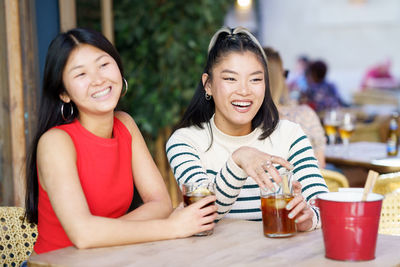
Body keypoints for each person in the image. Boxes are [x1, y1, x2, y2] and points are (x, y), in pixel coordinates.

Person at [25, 28, 217, 255]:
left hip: (113, 258)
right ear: (64, 93)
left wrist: (104, 233)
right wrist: (171, 227)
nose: (98, 79)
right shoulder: (55, 142)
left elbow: (161, 203)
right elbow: (83, 234)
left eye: (104, 65)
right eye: (81, 74)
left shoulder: (125, 124)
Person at [166, 26, 329, 232]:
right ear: (208, 84)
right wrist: (239, 159)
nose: (244, 91)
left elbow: (323, 207)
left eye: (255, 79)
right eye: (230, 79)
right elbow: (203, 214)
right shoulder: (185, 141)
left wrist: (308, 218)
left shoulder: (289, 135)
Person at [264, 47, 326, 168]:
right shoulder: (305, 114)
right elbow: (320, 166)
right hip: (307, 184)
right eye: (285, 74)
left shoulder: (244, 120)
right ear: (279, 78)